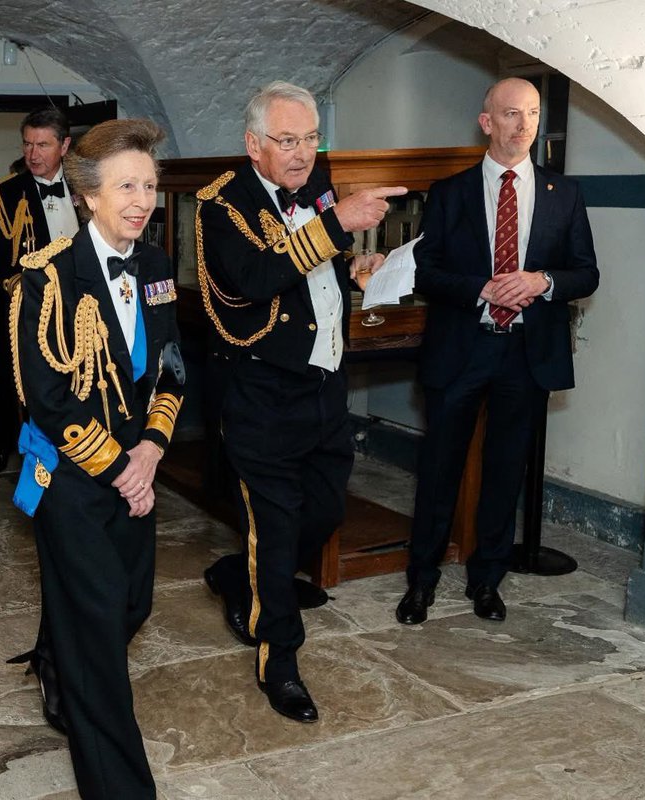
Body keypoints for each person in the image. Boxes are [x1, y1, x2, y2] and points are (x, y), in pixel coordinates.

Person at [197, 81, 404, 723]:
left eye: (312, 138)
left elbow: (318, 269)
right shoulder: (220, 204)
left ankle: (244, 576)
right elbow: (254, 280)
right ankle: (279, 663)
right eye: (287, 140)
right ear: (253, 144)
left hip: (325, 386)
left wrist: (357, 269)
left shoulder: (316, 182)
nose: (303, 153)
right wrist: (337, 222)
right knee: (279, 527)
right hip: (262, 392)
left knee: (322, 512)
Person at [11, 118, 185, 800]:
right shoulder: (46, 278)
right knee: (100, 647)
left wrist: (151, 449)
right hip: (75, 482)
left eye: (148, 185)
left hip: (136, 470)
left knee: (129, 607)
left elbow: (171, 368)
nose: (141, 200)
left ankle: (57, 654)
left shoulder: (159, 266)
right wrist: (121, 467)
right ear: (88, 194)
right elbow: (47, 399)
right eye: (125, 187)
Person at [395, 77, 599, 625]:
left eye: (532, 113)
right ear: (487, 122)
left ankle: (487, 581)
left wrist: (540, 281)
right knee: (440, 471)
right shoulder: (451, 192)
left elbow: (586, 272)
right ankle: (422, 583)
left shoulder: (565, 195)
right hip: (462, 347)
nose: (523, 124)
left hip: (525, 354)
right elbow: (427, 270)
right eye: (511, 114)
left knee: (505, 472)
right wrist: (480, 288)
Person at [0, 107, 78, 474]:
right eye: (27, 144)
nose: (33, 154)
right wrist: (31, 293)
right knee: (14, 380)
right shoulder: (5, 195)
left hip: (76, 309)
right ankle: (7, 445)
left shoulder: (86, 189)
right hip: (23, 308)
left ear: (64, 146)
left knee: (71, 377)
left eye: (43, 144)